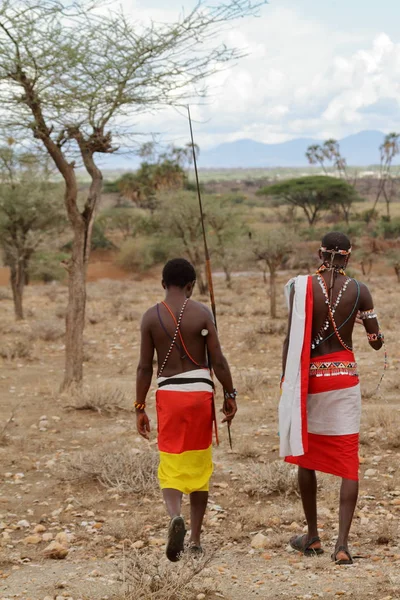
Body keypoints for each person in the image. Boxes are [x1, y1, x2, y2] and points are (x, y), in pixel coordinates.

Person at [279, 232, 384, 565]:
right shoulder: (359, 290)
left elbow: (291, 339)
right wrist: (375, 330)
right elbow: (375, 340)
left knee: (306, 454)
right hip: (344, 377)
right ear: (348, 257)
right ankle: (341, 546)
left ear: (320, 254)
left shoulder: (301, 287)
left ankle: (312, 536)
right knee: (348, 460)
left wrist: (286, 382)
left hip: (309, 378)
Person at [135, 258, 237, 562]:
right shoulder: (202, 312)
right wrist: (230, 393)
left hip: (170, 395)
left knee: (171, 461)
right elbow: (217, 360)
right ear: (191, 285)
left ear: (163, 283)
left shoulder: (150, 317)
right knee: (199, 464)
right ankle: (194, 539)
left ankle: (174, 515)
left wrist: (139, 407)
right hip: (199, 394)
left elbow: (144, 367)